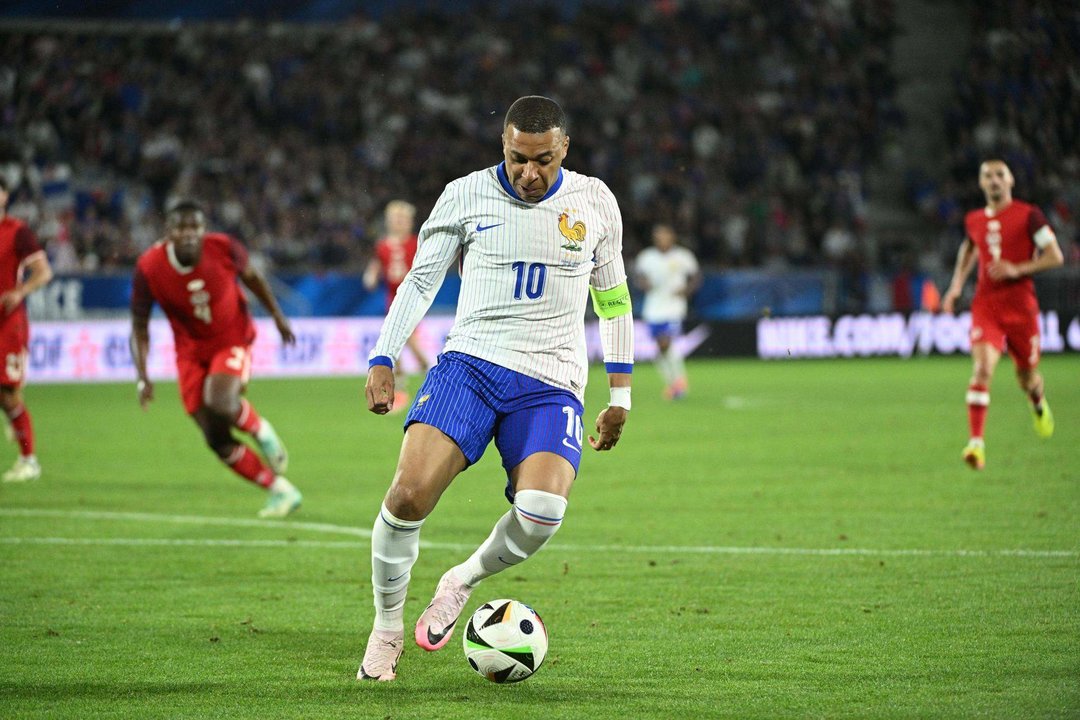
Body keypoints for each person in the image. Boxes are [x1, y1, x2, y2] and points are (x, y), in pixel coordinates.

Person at [357, 96, 634, 681]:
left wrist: (621, 394)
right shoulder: (464, 194)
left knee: (541, 512)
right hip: (471, 367)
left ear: (564, 151)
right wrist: (383, 355)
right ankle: (385, 631)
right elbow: (421, 278)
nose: (529, 173)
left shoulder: (594, 200)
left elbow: (613, 300)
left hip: (552, 381)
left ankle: (461, 580)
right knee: (407, 497)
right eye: (516, 159)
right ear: (501, 148)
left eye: (543, 161)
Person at [130, 200, 303, 517]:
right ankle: (281, 491)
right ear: (168, 233)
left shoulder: (224, 248)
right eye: (181, 228)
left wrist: (277, 316)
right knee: (214, 435)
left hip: (232, 337)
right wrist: (143, 375)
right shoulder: (149, 267)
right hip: (189, 352)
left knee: (220, 400)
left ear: (203, 229)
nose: (188, 234)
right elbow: (139, 327)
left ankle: (260, 430)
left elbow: (253, 278)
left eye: (194, 227)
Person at [942, 159, 1064, 470]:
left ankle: (1037, 402)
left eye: (999, 175)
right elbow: (969, 249)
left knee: (1027, 379)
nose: (994, 181)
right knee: (982, 370)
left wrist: (1017, 268)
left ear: (1010, 181)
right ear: (981, 184)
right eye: (987, 176)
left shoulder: (1029, 216)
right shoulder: (974, 220)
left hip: (1022, 310)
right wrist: (955, 286)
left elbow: (1055, 256)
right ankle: (976, 444)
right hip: (987, 307)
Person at [0, 176, 54, 482]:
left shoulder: (17, 232)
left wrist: (19, 292)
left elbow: (44, 272)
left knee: (8, 395)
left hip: (7, 323)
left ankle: (28, 460)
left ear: (5, 196)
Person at [362, 200, 429, 410]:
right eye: (395, 219)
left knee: (406, 340)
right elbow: (375, 267)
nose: (399, 223)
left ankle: (430, 374)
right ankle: (400, 391)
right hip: (392, 301)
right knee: (396, 347)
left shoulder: (416, 242)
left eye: (403, 219)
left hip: (413, 299)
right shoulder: (382, 246)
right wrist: (371, 276)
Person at [633, 223, 701, 399]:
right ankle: (674, 384)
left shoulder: (683, 256)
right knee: (660, 348)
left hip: (674, 306)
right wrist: (644, 284)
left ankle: (679, 381)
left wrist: (686, 291)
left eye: (665, 235)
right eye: (658, 236)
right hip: (654, 308)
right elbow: (638, 277)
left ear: (672, 237)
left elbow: (696, 276)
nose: (662, 239)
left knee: (665, 342)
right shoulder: (647, 257)